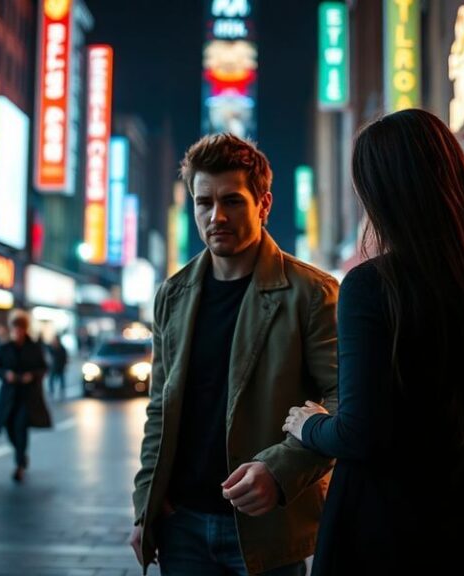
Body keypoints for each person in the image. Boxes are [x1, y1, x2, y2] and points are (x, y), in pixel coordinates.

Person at [283, 109, 464, 575]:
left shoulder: (371, 286)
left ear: (381, 195)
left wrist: (309, 425)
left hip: (393, 533)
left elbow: (359, 433)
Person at [130, 133, 339, 576]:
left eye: (232, 201)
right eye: (204, 202)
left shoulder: (311, 293)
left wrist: (280, 470)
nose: (216, 216)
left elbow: (346, 402)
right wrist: (145, 502)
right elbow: (160, 408)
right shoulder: (173, 294)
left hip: (268, 524)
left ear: (264, 204)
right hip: (181, 523)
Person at [0, 311, 52, 483]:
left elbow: (43, 368)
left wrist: (31, 375)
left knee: (21, 427)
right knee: (9, 428)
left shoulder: (34, 347)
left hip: (27, 396)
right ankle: (21, 454)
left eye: (21, 329)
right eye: (15, 329)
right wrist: (6, 374)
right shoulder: (5, 347)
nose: (18, 333)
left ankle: (19, 463)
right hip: (9, 395)